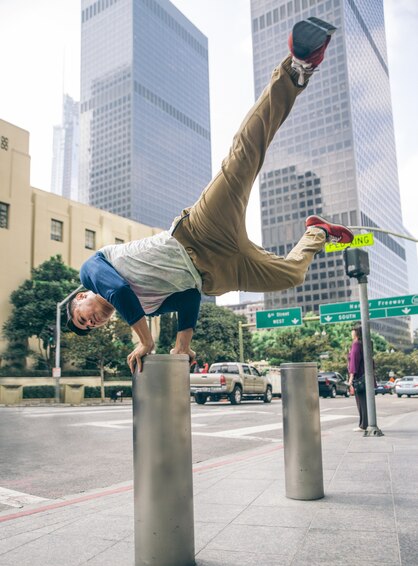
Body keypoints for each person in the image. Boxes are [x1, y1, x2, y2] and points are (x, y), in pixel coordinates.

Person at [66, 18, 354, 374]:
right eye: (89, 328)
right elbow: (188, 297)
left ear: (80, 298)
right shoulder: (149, 307)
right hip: (216, 273)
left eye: (83, 320)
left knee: (243, 158)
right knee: (289, 276)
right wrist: (182, 346)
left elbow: (120, 293)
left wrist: (146, 341)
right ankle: (318, 233)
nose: (91, 323)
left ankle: (297, 69)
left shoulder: (92, 271)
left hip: (200, 232)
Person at [348, 324, 367, 431]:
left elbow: (353, 363)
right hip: (365, 377)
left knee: (361, 402)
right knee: (364, 401)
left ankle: (363, 425)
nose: (351, 333)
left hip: (359, 378)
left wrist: (351, 379)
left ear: (356, 333)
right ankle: (365, 423)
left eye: (353, 331)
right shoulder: (363, 344)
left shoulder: (356, 345)